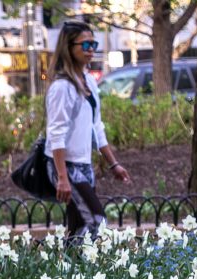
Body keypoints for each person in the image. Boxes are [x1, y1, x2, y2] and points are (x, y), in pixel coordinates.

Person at [44, 21, 131, 245]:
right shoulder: (62, 87)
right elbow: (56, 134)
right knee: (95, 220)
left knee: (78, 227)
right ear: (69, 47)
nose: (91, 49)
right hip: (67, 167)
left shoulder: (89, 81)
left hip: (84, 165)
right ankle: (83, 271)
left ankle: (70, 274)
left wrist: (114, 164)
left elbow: (97, 127)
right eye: (85, 45)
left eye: (94, 44)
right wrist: (62, 177)